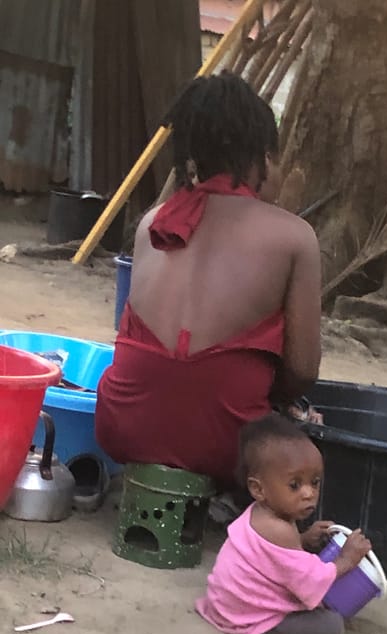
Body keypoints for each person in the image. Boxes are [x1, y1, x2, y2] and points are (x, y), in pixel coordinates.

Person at [95, 73, 322, 487]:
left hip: (121, 429)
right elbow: (304, 370)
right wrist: (273, 397)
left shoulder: (152, 223)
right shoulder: (295, 237)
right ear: (262, 159)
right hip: (229, 446)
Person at [196, 414, 372, 634]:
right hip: (248, 617)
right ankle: (266, 628)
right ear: (258, 489)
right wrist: (347, 560)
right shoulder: (279, 529)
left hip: (225, 603)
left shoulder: (259, 513)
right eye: (295, 485)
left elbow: (270, 557)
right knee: (331, 625)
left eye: (315, 482)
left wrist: (303, 539)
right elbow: (311, 580)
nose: (309, 493)